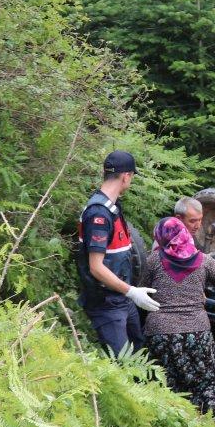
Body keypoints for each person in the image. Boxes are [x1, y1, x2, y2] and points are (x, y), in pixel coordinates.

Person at [142, 217, 215, 414]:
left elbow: (141, 289)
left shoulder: (154, 260)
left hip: (160, 333)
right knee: (208, 384)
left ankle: (170, 425)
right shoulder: (202, 260)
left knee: (165, 385)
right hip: (197, 333)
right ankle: (211, 424)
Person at [76, 150, 160, 357]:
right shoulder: (99, 214)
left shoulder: (112, 208)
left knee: (139, 353)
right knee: (124, 363)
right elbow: (96, 267)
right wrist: (132, 291)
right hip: (107, 303)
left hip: (122, 298)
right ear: (126, 176)